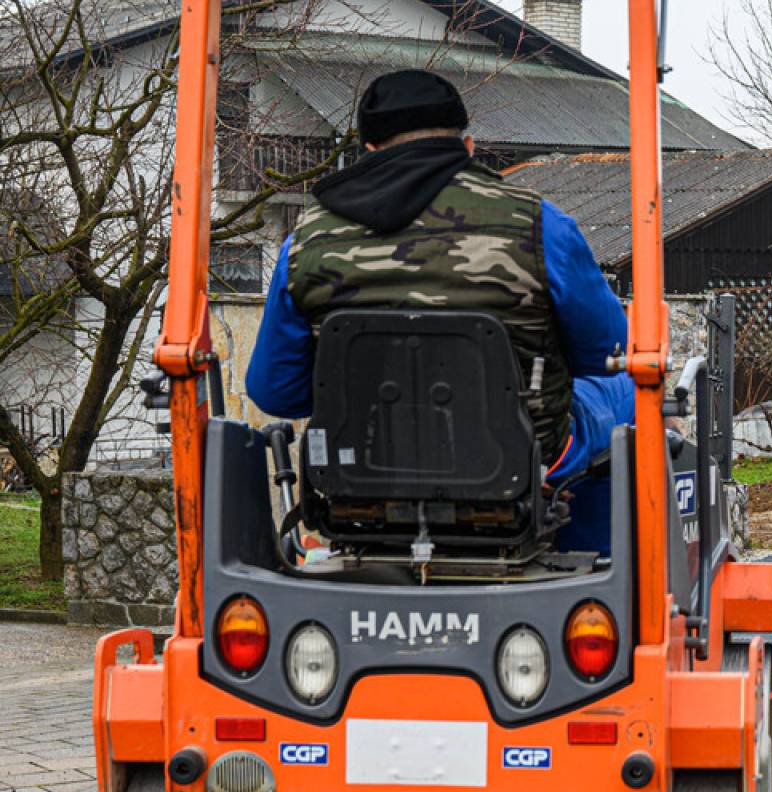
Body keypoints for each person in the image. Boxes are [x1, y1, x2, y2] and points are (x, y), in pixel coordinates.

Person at [246, 70, 632, 552]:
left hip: (360, 472)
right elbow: (610, 349)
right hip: (522, 462)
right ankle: (602, 563)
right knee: (630, 385)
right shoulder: (540, 224)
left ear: (368, 153)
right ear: (468, 148)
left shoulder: (305, 242)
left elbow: (274, 392)